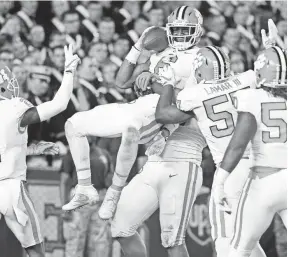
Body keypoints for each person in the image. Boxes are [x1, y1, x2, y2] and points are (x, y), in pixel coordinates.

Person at [62, 6, 204, 213]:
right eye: (176, 30)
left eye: (185, 30)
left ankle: (114, 192)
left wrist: (156, 81)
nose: (180, 35)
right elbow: (121, 82)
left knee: (131, 130)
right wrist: (138, 46)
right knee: (73, 124)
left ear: (197, 31)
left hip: (159, 113)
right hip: (136, 106)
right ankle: (85, 187)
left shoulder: (200, 58)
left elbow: (190, 102)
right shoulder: (159, 53)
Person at [155, 45, 266, 257]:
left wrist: (168, 83)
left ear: (199, 71)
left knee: (225, 240)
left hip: (232, 171)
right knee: (246, 241)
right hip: (265, 165)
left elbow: (163, 115)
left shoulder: (193, 95)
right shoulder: (248, 79)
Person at [0, 44, 80, 257]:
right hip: (9, 188)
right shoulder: (14, 107)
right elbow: (59, 104)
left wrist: (32, 149)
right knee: (34, 247)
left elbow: (4, 147)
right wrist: (69, 71)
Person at [213, 46, 287, 257]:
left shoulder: (252, 98)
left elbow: (237, 145)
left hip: (263, 182)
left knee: (239, 249)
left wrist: (220, 182)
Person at [60, 137, 113, 257]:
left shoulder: (104, 154)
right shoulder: (72, 153)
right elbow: (64, 181)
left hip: (100, 200)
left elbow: (110, 181)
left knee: (100, 243)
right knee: (75, 242)